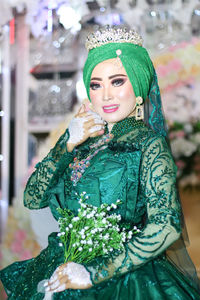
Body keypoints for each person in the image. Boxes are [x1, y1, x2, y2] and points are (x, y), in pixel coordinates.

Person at [0, 26, 200, 300]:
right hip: (61, 267)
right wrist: (67, 143)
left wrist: (94, 272)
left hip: (122, 278)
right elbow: (33, 198)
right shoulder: (82, 142)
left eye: (117, 81)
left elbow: (166, 225)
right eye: (96, 84)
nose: (105, 95)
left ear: (139, 87)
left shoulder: (148, 144)